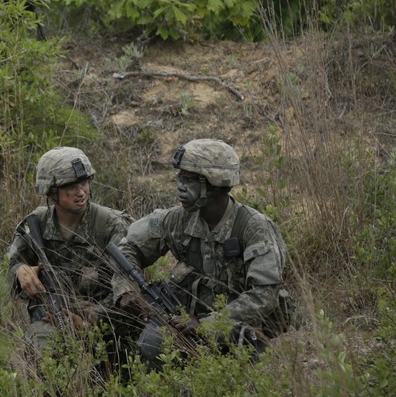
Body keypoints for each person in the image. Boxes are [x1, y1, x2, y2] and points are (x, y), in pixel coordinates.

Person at [112, 139, 292, 370]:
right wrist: (126, 290)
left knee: (244, 383)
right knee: (151, 345)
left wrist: (209, 326)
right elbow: (128, 248)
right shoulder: (176, 219)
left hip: (241, 329)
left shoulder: (254, 227)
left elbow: (264, 295)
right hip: (187, 321)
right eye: (179, 177)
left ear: (214, 184)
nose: (180, 186)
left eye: (188, 179)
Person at [7, 147, 132, 372]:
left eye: (84, 183)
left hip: (107, 325)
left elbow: (127, 288)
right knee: (41, 358)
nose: (81, 192)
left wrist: (90, 322)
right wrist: (21, 271)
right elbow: (10, 267)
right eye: (71, 186)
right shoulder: (35, 224)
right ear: (52, 191)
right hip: (52, 320)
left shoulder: (111, 225)